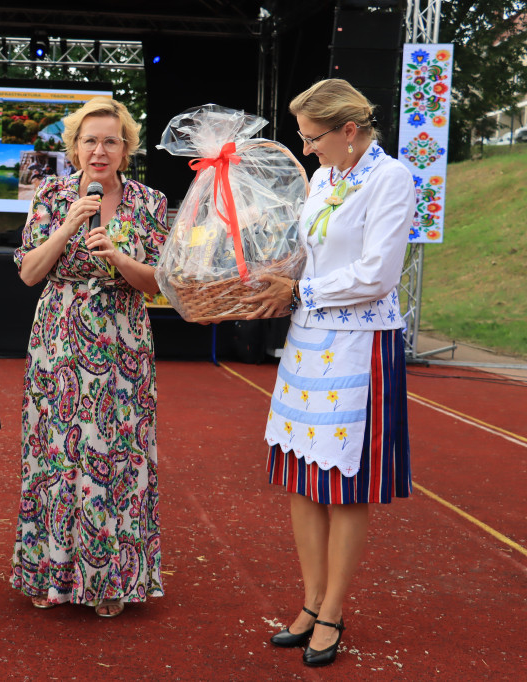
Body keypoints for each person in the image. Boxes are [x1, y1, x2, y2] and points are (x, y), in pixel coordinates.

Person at [243, 78, 415, 667]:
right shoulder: (324, 177)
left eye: (313, 136)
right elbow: (306, 253)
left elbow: (378, 274)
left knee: (344, 487)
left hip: (358, 344)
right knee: (300, 474)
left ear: (349, 131)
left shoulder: (390, 179)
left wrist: (302, 291)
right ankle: (311, 602)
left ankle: (334, 608)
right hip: (307, 340)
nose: (307, 147)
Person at [10, 97, 169, 617]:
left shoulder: (149, 202)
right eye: (89, 140)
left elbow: (159, 285)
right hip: (59, 342)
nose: (99, 151)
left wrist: (120, 257)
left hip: (123, 342)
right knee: (56, 454)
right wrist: (68, 225)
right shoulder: (52, 194)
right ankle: (49, 571)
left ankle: (110, 580)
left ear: (127, 148)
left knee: (117, 457)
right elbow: (31, 273)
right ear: (74, 147)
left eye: (111, 141)